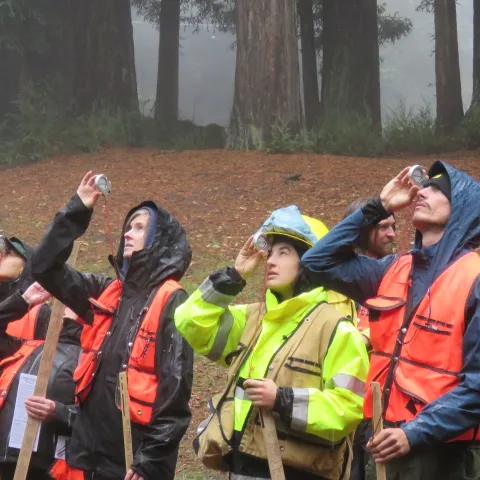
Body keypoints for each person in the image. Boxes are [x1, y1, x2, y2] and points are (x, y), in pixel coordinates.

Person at [301, 162, 480, 480]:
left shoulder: (475, 279)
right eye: (424, 186)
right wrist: (377, 207)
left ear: (462, 209)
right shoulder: (393, 269)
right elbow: (316, 262)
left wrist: (414, 433)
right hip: (380, 441)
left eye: (437, 189)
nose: (421, 191)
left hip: (443, 455)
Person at [175, 205, 369, 480]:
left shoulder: (336, 329)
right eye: (271, 252)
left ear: (310, 261)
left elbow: (349, 409)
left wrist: (282, 399)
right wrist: (235, 275)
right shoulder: (254, 319)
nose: (270, 261)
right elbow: (190, 322)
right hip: (241, 467)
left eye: (284, 252)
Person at [31, 172, 194, 480]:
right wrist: (78, 208)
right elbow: (44, 266)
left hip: (133, 465)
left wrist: (150, 462)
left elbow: (175, 396)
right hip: (87, 458)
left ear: (159, 240)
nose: (128, 234)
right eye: (127, 227)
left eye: (139, 227)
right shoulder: (105, 293)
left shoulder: (172, 301)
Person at [342, 199, 396, 480]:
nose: (392, 234)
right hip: (341, 406)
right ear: (362, 231)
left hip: (382, 406)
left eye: (393, 226)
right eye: (382, 227)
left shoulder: (398, 276)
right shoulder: (337, 278)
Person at [0, 307, 82, 480]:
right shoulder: (26, 347)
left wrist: (59, 412)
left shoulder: (91, 359)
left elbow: (103, 419)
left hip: (49, 468)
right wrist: (22, 301)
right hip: (6, 457)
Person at [0, 235, 51, 359]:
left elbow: (41, 358)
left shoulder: (40, 312)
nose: (2, 257)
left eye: (8, 254)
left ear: (24, 267)